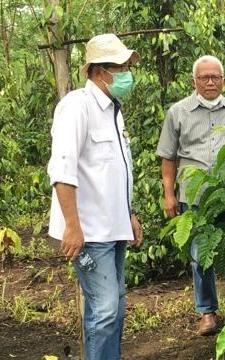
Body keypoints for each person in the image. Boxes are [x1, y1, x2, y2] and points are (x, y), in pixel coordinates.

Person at [47, 33, 143, 359]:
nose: (128, 72)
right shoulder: (77, 107)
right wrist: (72, 226)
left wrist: (129, 214)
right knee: (104, 311)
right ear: (100, 71)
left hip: (113, 227)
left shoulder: (113, 111)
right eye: (122, 66)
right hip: (88, 233)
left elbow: (116, 172)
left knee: (114, 306)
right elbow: (62, 170)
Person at [156, 55, 225, 336]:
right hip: (195, 196)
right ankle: (207, 313)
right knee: (200, 256)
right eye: (204, 77)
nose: (210, 82)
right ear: (194, 82)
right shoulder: (178, 112)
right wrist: (169, 194)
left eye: (215, 77)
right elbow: (168, 157)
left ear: (224, 80)